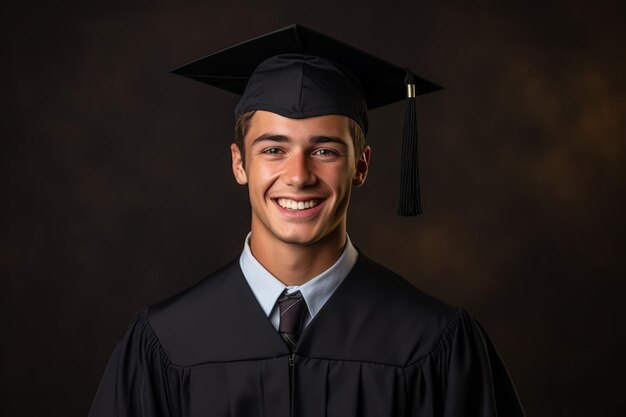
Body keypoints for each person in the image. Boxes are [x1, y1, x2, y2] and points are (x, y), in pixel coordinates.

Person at [88, 24, 525, 417]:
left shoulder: (432, 342)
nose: (298, 176)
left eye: (325, 150)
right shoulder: (165, 342)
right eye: (274, 149)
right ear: (239, 164)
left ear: (362, 166)